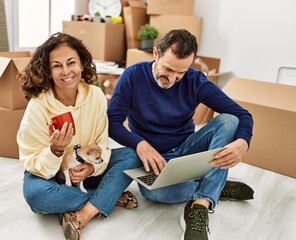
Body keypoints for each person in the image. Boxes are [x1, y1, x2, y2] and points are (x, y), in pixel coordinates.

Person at [107, 29, 255, 240]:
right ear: (156, 54)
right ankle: (215, 187)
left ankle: (200, 205)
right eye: (168, 69)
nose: (173, 78)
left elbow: (241, 114)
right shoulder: (132, 76)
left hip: (187, 148)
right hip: (153, 158)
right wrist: (140, 144)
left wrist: (243, 142)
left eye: (181, 73)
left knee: (230, 120)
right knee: (152, 192)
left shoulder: (195, 81)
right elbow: (112, 122)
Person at [16, 32, 138, 240]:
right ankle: (107, 197)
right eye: (56, 65)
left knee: (131, 156)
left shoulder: (96, 96)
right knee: (36, 195)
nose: (66, 71)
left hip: (87, 172)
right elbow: (32, 161)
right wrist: (55, 151)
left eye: (71, 62)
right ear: (48, 71)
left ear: (82, 64)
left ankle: (82, 209)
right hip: (51, 176)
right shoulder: (38, 106)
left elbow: (101, 143)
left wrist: (91, 167)